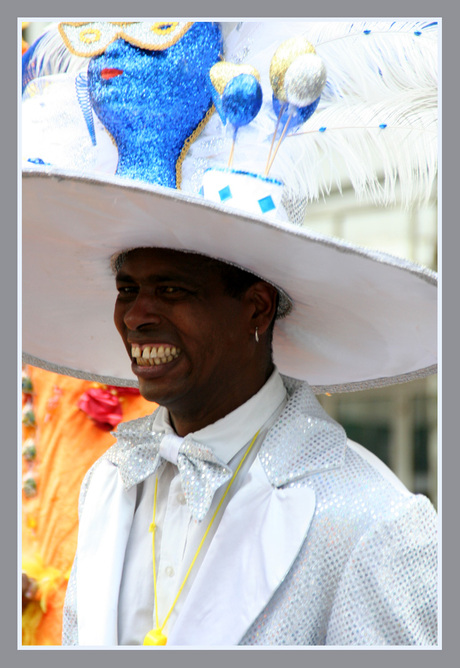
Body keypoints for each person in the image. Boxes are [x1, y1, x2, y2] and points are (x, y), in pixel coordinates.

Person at [22, 20, 438, 646]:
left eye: (173, 290)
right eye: (128, 288)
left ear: (256, 308)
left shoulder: (371, 521)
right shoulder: (107, 485)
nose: (136, 315)